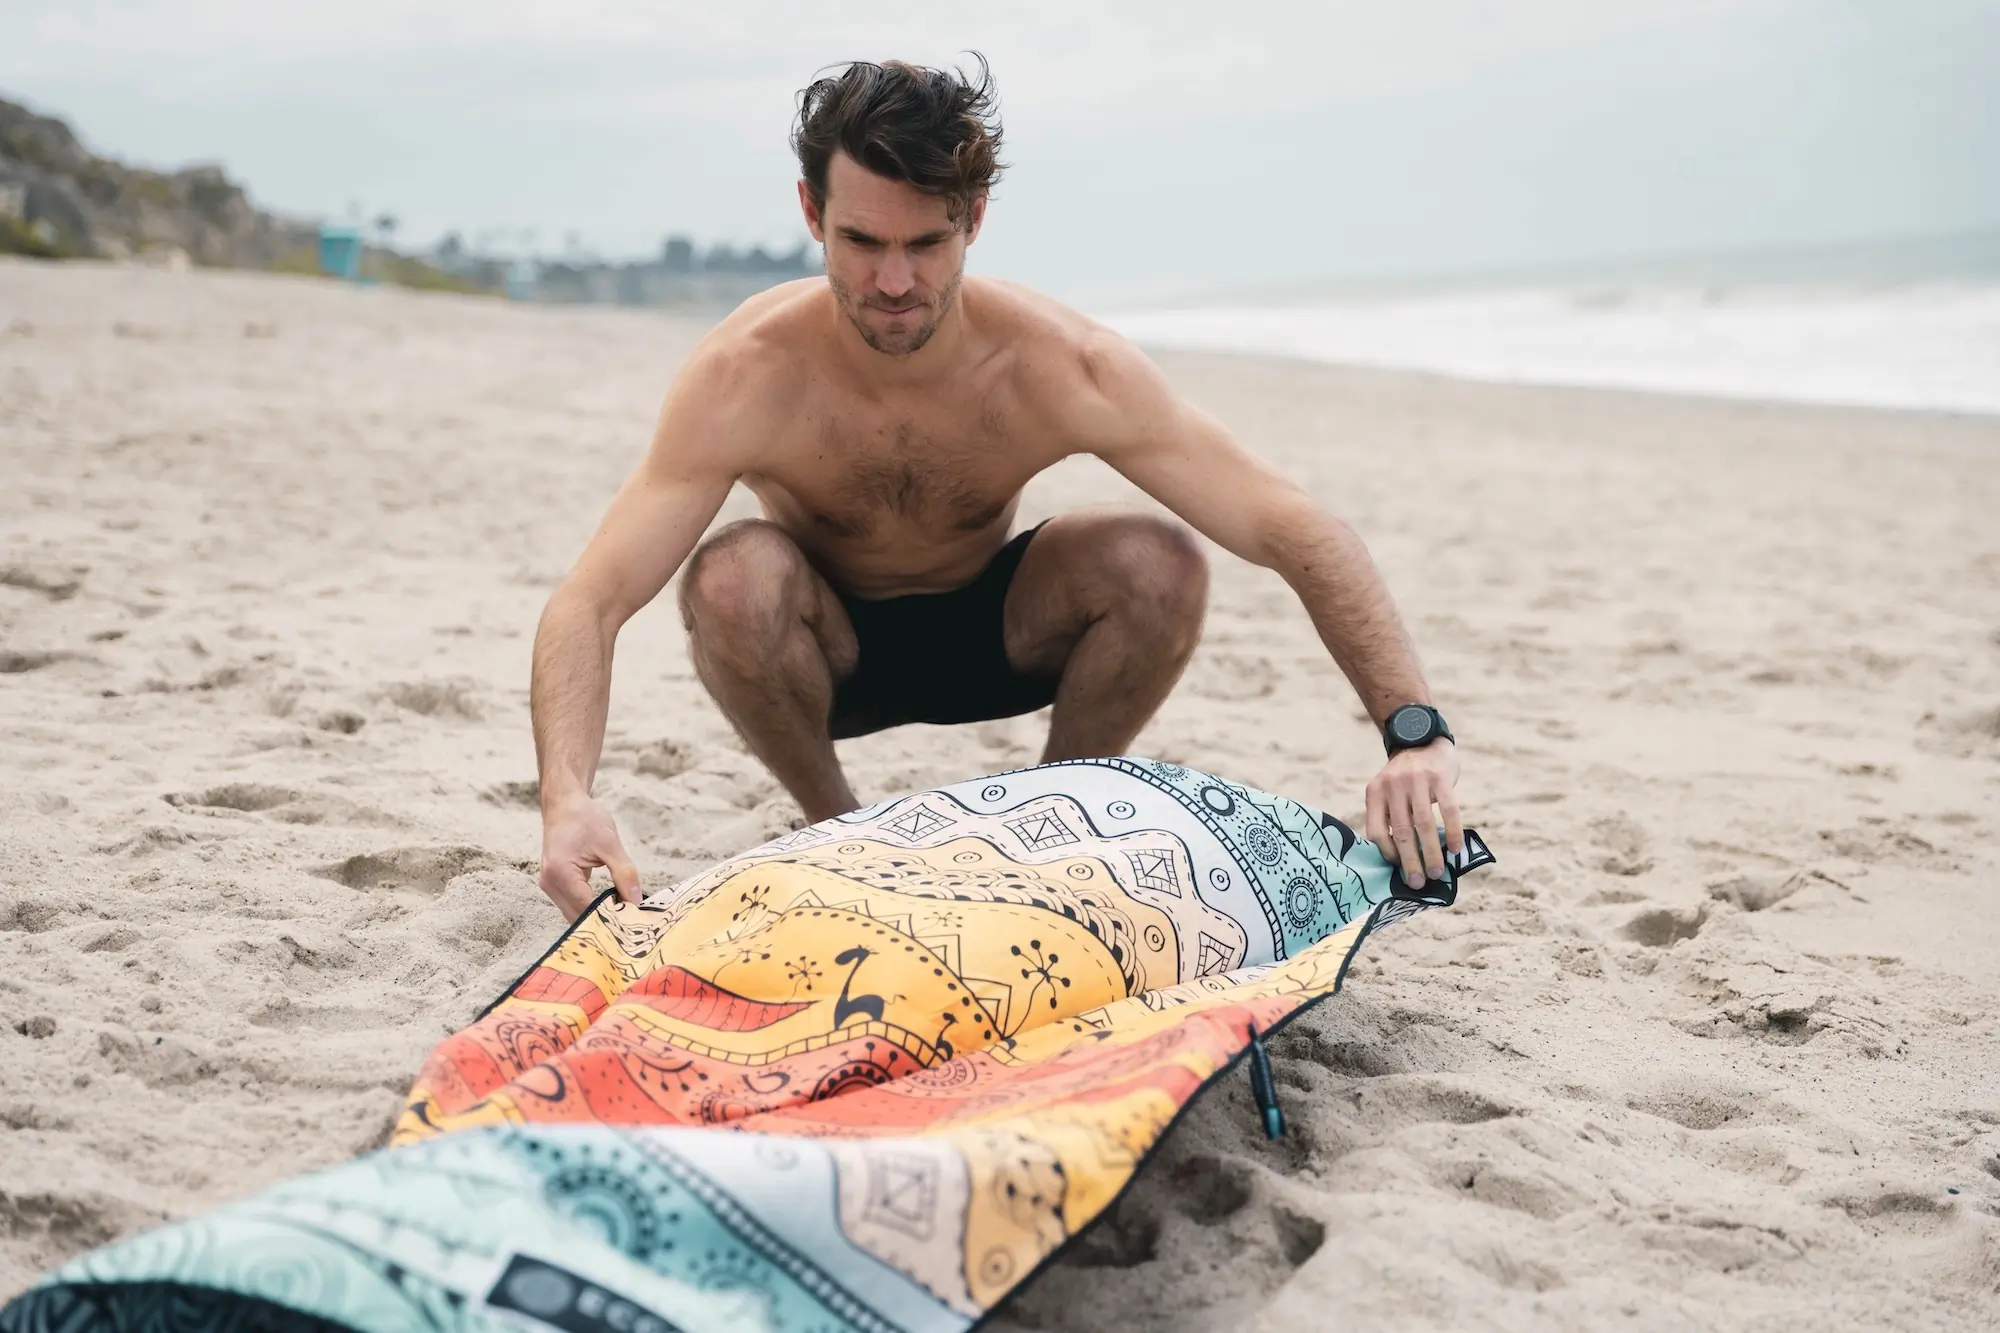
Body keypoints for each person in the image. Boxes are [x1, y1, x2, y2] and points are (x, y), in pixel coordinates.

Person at [529, 57, 1464, 921]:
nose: (894, 280)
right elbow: (592, 599)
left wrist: (1412, 733)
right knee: (730, 576)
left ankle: (1045, 828)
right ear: (813, 212)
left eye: (928, 243)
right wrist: (567, 800)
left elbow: (1293, 526)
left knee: (1158, 560)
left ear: (975, 218)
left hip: (998, 636)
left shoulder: (1061, 366)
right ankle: (841, 825)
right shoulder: (747, 373)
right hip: (826, 654)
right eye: (861, 241)